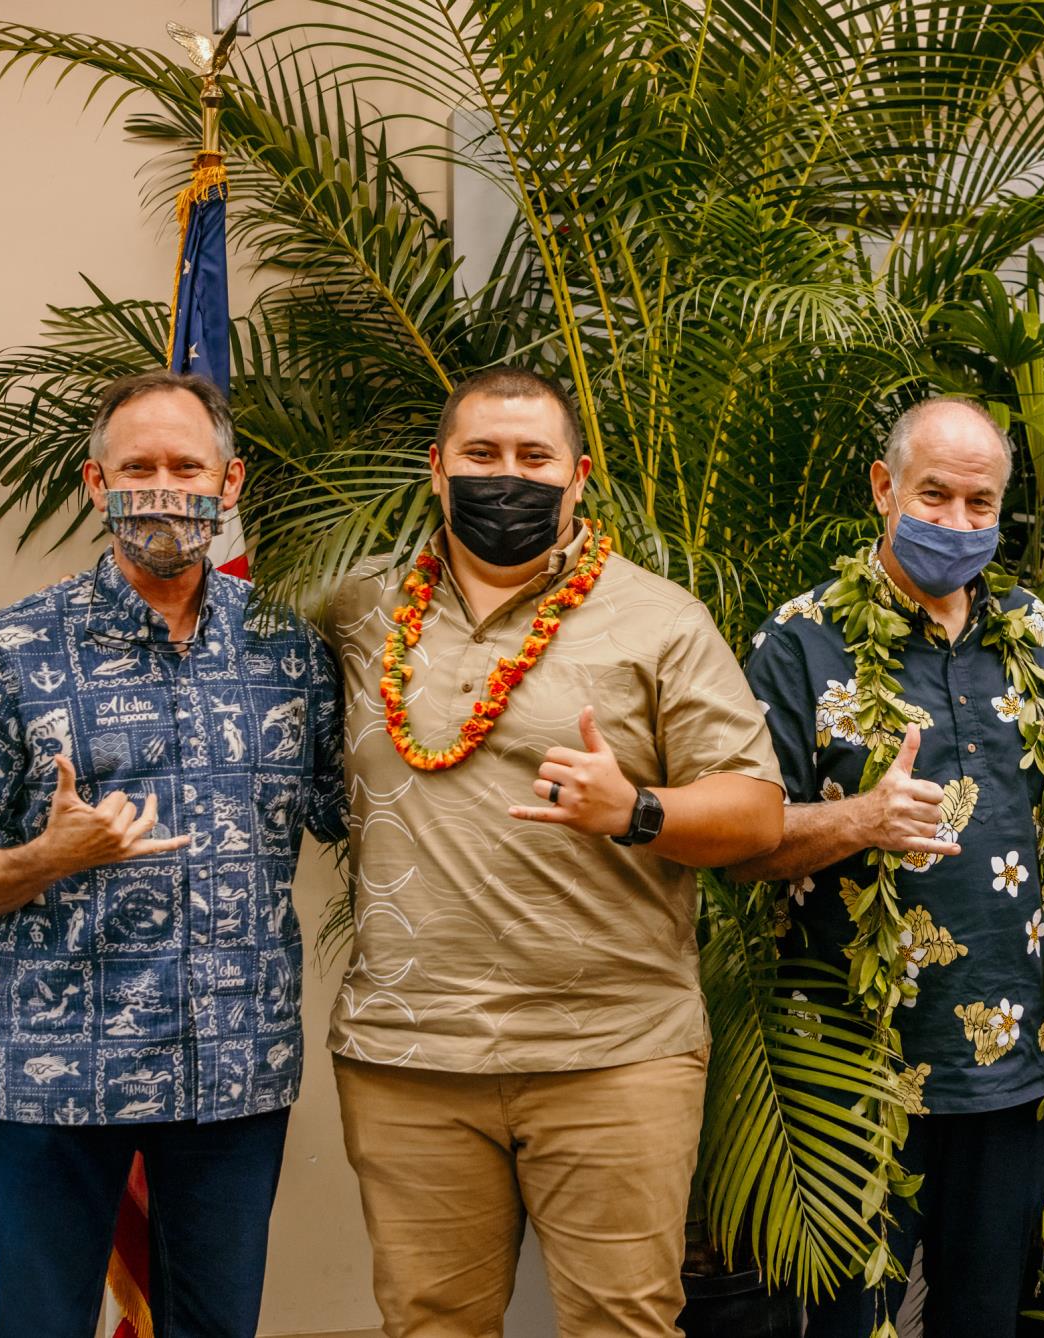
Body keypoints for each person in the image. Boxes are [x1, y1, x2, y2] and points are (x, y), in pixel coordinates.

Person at [323, 366, 785, 1337]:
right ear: (436, 469)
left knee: (621, 1326)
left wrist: (637, 810)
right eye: (482, 455)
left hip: (612, 1054)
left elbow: (755, 814)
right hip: (410, 1054)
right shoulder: (358, 615)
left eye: (533, 458)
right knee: (427, 1325)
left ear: (577, 477)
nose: (508, 477)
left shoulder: (660, 619)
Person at [0, 370, 347, 1338]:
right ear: (94, 484)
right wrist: (50, 856)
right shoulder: (10, 651)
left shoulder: (289, 651)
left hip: (232, 1075)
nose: (163, 488)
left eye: (185, 467)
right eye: (136, 468)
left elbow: (361, 815)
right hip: (55, 1078)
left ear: (229, 484)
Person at [734, 396, 1044, 1336]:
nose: (956, 523)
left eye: (979, 505)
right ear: (884, 489)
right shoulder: (799, 639)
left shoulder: (1034, 632)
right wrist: (860, 818)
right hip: (846, 1063)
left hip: (1008, 1060)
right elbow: (740, 844)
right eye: (934, 496)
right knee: (841, 1321)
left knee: (984, 1317)